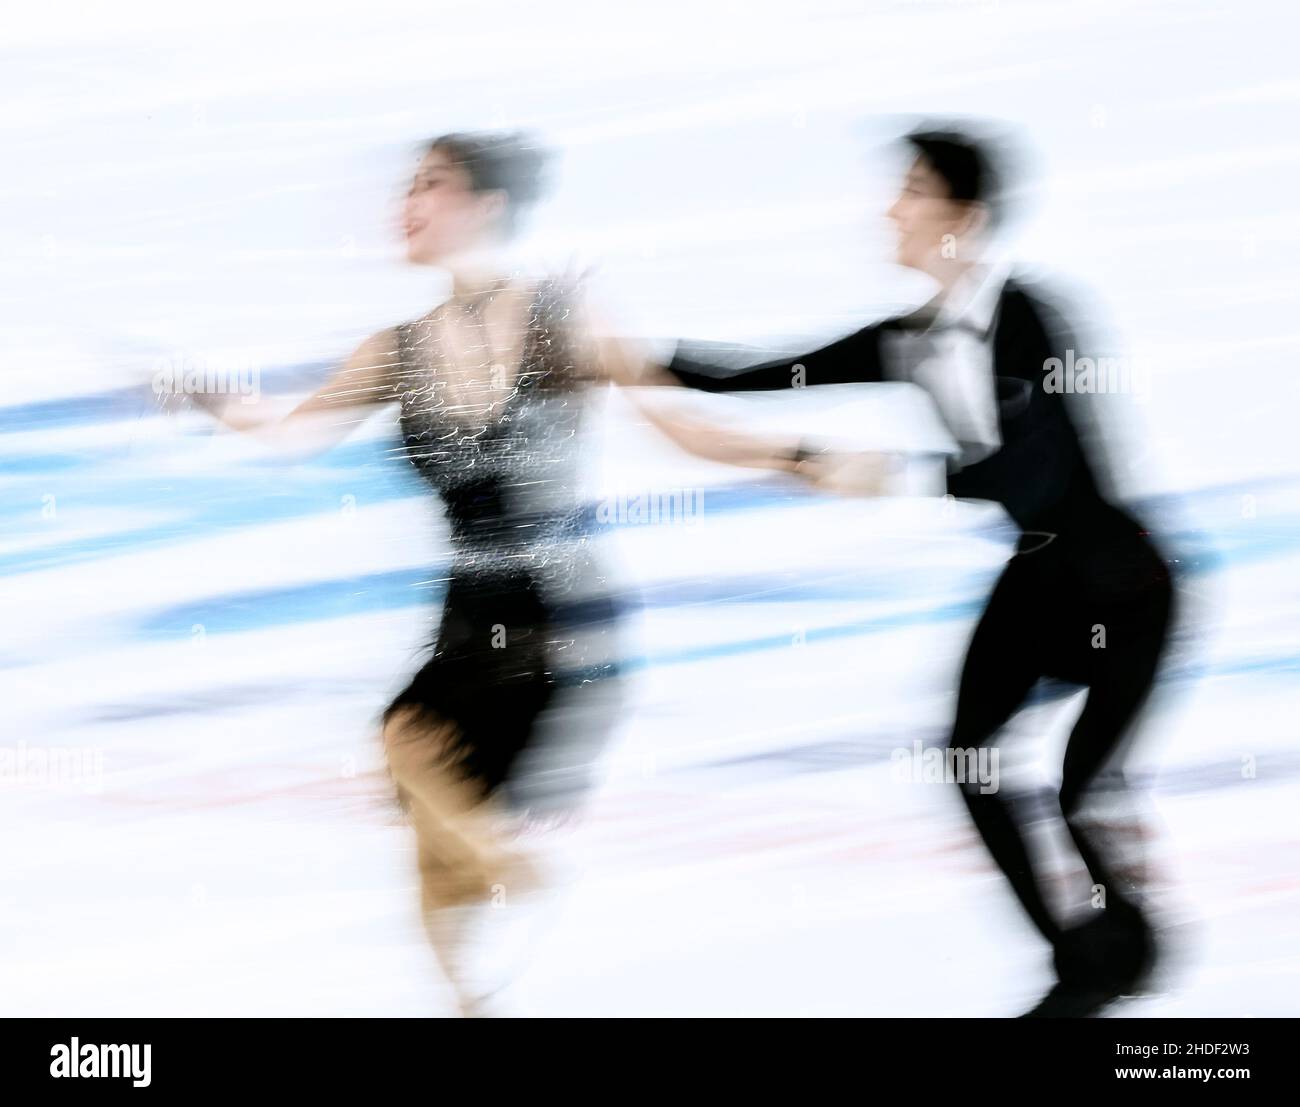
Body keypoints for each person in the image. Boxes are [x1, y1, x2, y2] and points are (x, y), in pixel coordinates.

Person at [180, 130, 837, 1015]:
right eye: (406, 186)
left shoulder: (559, 318)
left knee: (406, 743)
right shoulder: (395, 350)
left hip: (557, 611)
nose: (406, 204)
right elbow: (285, 426)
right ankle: (473, 987)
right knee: (430, 837)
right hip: (465, 612)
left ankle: (504, 877)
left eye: (431, 184)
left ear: (485, 206)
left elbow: (676, 423)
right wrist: (205, 395)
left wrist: (794, 455)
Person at [665, 125, 1177, 1017]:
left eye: (912, 191)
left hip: (1118, 583)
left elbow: (1037, 466)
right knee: (970, 758)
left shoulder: (1031, 316)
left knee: (1081, 784)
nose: (892, 209)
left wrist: (887, 473)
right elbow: (772, 372)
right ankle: (1078, 964)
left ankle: (1121, 953)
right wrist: (631, 360)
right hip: (1039, 573)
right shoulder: (906, 338)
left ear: (962, 219)